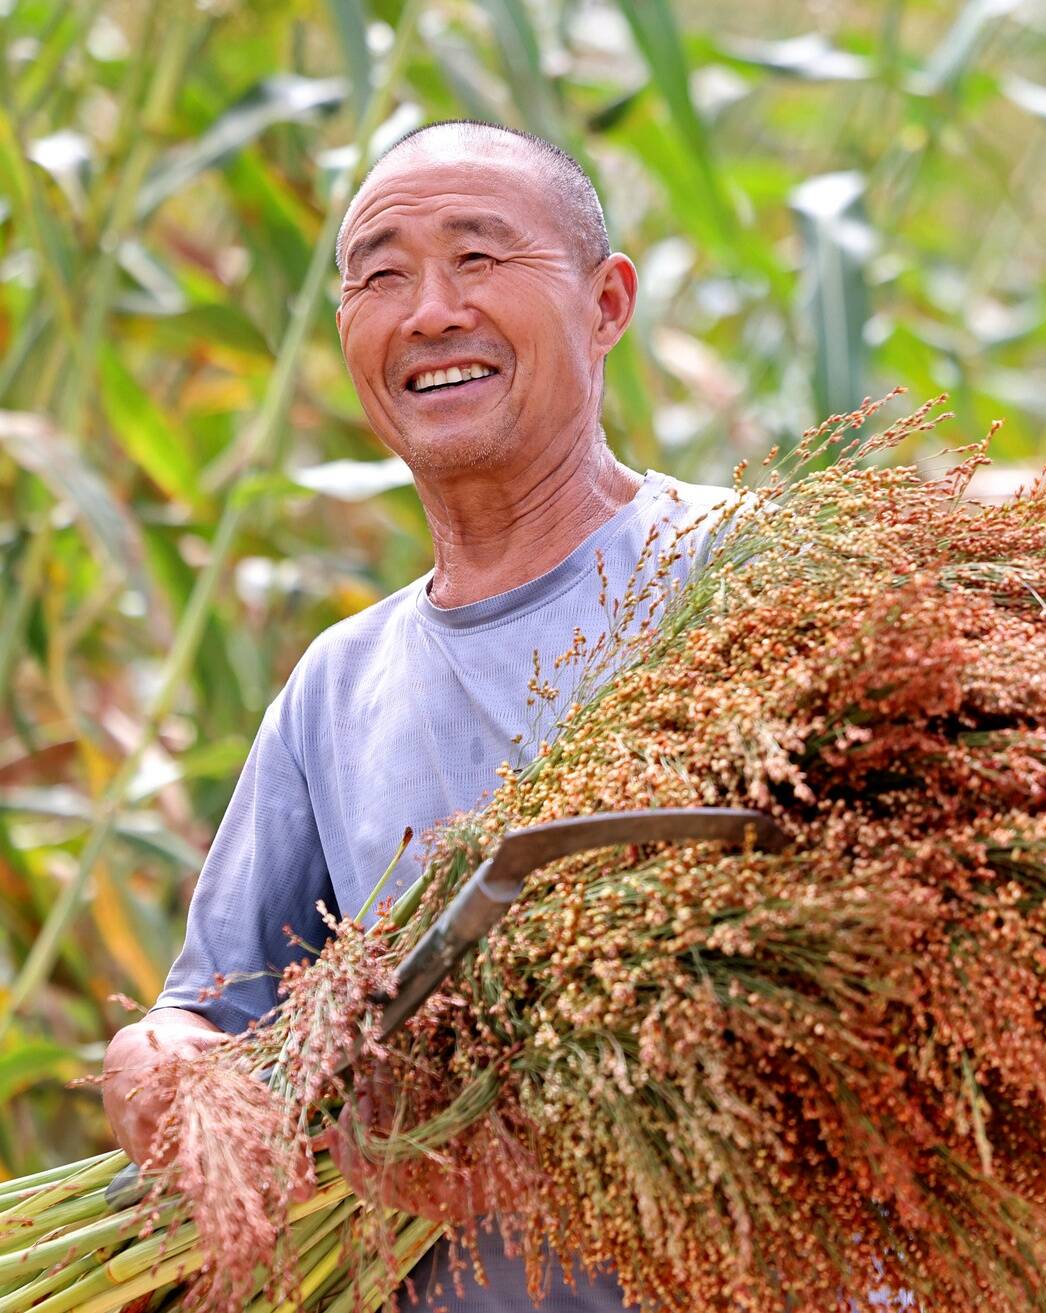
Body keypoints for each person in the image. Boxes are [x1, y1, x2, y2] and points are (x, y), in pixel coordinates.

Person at [97, 117, 732, 1312]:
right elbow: (206, 1012)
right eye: (380, 274)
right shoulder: (336, 684)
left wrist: (525, 1137)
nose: (430, 310)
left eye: (480, 259)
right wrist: (162, 1073)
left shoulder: (750, 574)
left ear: (607, 303)